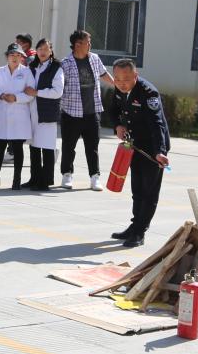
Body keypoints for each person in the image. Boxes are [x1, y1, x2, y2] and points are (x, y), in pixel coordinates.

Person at [108, 58, 171, 247]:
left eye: (126, 79)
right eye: (117, 79)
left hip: (152, 148)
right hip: (134, 145)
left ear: (135, 75)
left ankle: (140, 232)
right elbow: (113, 110)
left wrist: (159, 151)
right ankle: (135, 225)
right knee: (137, 189)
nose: (121, 83)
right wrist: (118, 125)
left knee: (149, 192)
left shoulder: (148, 92)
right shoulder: (119, 89)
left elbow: (157, 124)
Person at [59, 29, 113, 191]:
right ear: (77, 44)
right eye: (87, 42)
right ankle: (67, 174)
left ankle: (94, 177)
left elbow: (104, 74)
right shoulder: (65, 63)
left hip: (92, 111)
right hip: (71, 113)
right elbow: (59, 86)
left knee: (93, 147)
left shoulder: (94, 58)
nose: (90, 45)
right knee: (69, 146)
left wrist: (118, 85)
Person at [0, 45, 34, 189]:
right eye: (12, 55)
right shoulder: (0, 72)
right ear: (7, 56)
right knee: (0, 147)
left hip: (19, 115)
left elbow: (30, 94)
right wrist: (1, 95)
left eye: (18, 55)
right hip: (2, 113)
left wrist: (16, 98)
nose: (15, 58)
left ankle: (16, 180)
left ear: (22, 58)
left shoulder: (26, 72)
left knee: (18, 148)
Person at [24, 38, 63, 191]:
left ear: (51, 51)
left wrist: (37, 92)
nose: (42, 52)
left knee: (47, 147)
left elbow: (57, 92)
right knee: (33, 146)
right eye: (40, 49)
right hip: (32, 112)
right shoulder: (33, 66)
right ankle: (34, 178)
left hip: (47, 113)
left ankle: (45, 181)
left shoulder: (56, 68)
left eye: (46, 49)